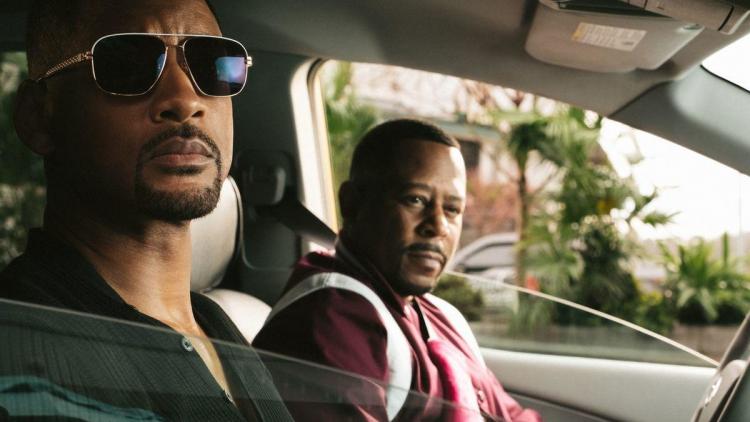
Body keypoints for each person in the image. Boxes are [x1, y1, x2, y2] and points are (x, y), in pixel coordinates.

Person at [0, 1, 291, 420]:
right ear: (38, 117)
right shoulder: (21, 345)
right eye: (128, 64)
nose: (185, 99)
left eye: (212, 65)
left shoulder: (219, 327)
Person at [253, 119, 541, 421]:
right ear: (351, 204)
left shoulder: (443, 317)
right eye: (415, 200)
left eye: (452, 209)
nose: (438, 226)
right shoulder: (330, 317)